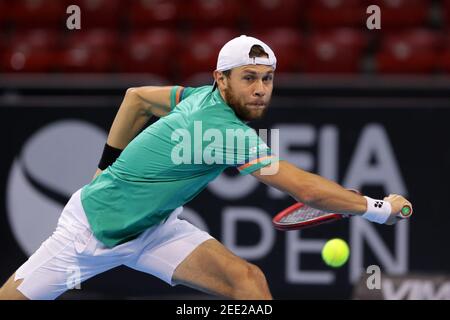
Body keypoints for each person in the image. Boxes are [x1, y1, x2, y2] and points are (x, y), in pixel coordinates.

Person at [0, 35, 412, 300]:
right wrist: (379, 209)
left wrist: (103, 167)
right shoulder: (221, 130)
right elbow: (304, 189)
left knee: (248, 283)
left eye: (267, 79)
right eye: (249, 77)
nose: (259, 90)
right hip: (89, 233)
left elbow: (136, 99)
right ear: (222, 78)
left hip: (155, 229)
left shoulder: (199, 96)